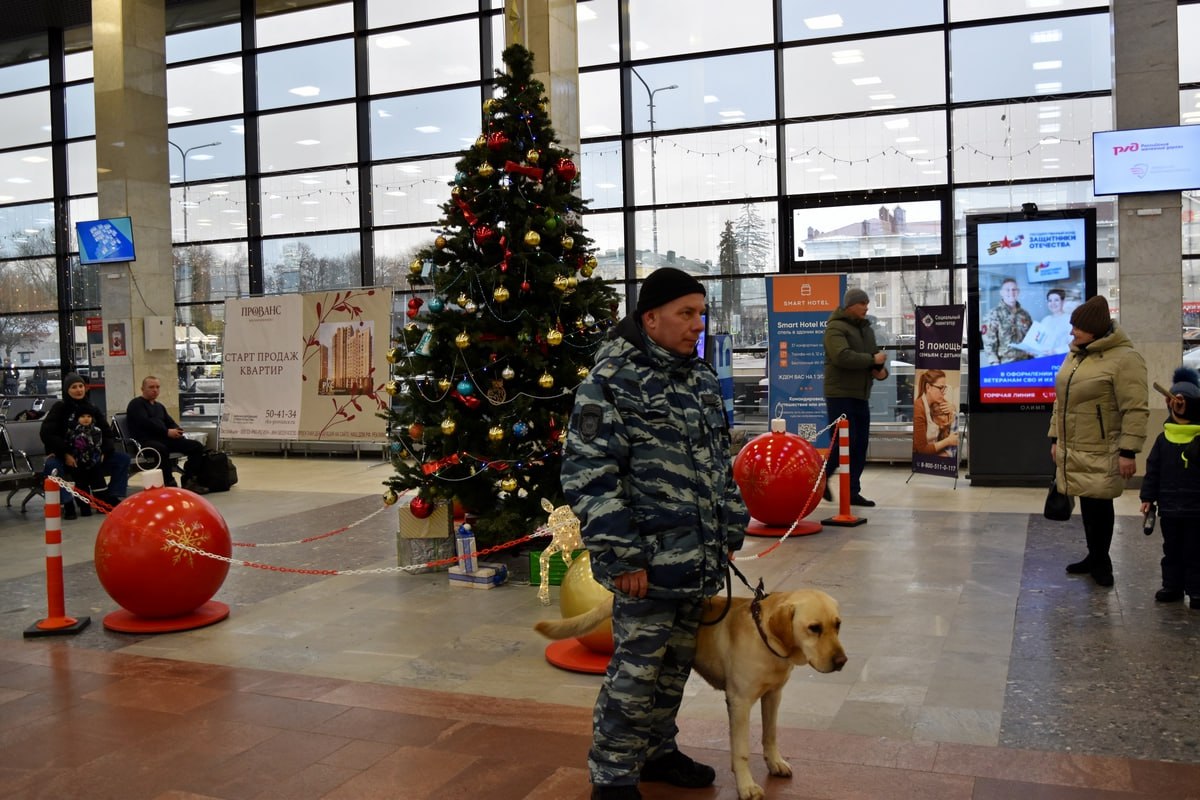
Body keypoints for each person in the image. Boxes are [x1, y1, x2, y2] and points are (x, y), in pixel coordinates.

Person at [561, 266, 748, 800]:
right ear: (651, 317)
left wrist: (731, 523)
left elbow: (718, 462)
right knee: (636, 674)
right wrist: (624, 559)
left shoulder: (701, 379)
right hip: (645, 563)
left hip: (697, 559)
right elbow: (588, 475)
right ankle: (613, 776)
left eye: (701, 314)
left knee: (674, 667)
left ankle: (656, 752)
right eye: (685, 314)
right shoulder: (609, 382)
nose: (697, 325)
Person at [1048, 295, 1148, 587]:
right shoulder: (1077, 353)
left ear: (1093, 329)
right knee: (1088, 504)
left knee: (1100, 504)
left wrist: (1128, 451)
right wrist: (1055, 437)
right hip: (1074, 445)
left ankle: (1102, 562)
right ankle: (1094, 556)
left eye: (1077, 327)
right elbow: (1061, 401)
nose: (1071, 332)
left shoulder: (1125, 359)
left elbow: (1136, 408)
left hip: (1102, 447)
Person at [1139, 367, 1200, 609]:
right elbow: (1153, 470)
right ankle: (1172, 586)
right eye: (1174, 401)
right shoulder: (1164, 439)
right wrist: (1148, 497)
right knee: (1171, 549)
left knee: (1196, 551)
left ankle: (1196, 590)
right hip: (1169, 508)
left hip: (1197, 508)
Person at [823, 286, 888, 506]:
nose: (866, 307)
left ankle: (852, 491)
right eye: (862, 303)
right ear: (850, 305)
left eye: (867, 303)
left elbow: (872, 355)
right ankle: (822, 478)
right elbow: (842, 357)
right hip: (840, 394)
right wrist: (872, 361)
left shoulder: (866, 329)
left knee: (860, 444)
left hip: (861, 394)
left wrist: (880, 370)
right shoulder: (835, 328)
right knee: (842, 442)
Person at [39, 372, 130, 520]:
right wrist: (65, 453)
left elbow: (107, 433)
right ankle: (67, 502)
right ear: (67, 390)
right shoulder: (60, 408)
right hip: (67, 455)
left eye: (81, 386)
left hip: (93, 454)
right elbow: (47, 434)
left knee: (122, 459)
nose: (78, 390)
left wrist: (104, 451)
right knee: (52, 467)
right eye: (74, 387)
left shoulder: (92, 407)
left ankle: (110, 496)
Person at [126, 375, 210, 491]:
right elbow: (146, 423)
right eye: (151, 387)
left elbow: (170, 422)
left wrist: (177, 431)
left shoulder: (159, 406)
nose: (155, 390)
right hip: (147, 441)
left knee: (196, 446)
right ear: (142, 389)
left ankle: (189, 479)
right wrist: (166, 432)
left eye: (157, 387)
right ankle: (169, 482)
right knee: (161, 449)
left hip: (165, 439)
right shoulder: (136, 405)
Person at [981, 277, 1033, 365]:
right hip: (1005, 365)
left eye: (1014, 289)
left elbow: (1031, 339)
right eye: (1007, 290)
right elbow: (989, 345)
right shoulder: (993, 314)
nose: (1011, 293)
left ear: (1018, 292)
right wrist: (995, 365)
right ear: (1001, 292)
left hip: (1026, 364)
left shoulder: (1025, 314)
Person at [65, 410, 105, 517]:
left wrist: (100, 455)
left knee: (99, 484)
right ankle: (84, 507)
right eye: (82, 416)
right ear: (77, 418)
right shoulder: (72, 432)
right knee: (82, 486)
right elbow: (70, 447)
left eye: (88, 416)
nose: (86, 419)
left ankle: (100, 505)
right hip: (78, 463)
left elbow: (99, 445)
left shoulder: (97, 430)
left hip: (94, 462)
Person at [912, 369, 958, 457]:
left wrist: (954, 408)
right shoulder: (918, 408)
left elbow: (954, 419)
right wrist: (948, 441)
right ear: (928, 387)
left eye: (945, 388)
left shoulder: (940, 401)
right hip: (923, 458)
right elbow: (922, 450)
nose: (944, 393)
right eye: (941, 388)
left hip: (937, 454)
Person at [1037, 288, 1074, 356]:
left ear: (1063, 301)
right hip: (1045, 359)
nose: (1053, 303)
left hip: (1062, 360)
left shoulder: (1069, 319)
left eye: (1056, 300)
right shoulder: (1045, 320)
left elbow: (1074, 344)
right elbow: (1038, 341)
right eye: (1050, 300)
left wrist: (1056, 351)